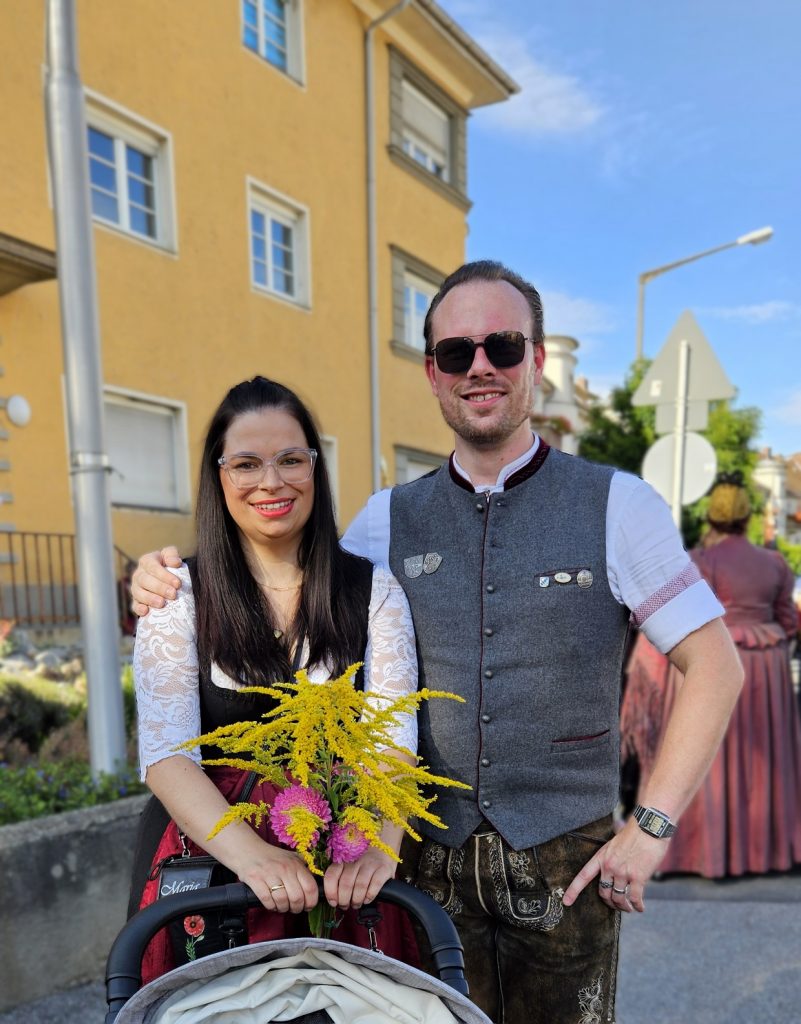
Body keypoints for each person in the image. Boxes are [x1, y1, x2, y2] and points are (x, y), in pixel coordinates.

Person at [131, 261, 743, 1024]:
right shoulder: (383, 521)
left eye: (503, 347)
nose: (480, 366)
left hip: (564, 864)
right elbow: (291, 577)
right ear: (431, 372)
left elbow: (714, 665)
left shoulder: (618, 503)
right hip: (421, 866)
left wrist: (650, 830)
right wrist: (162, 576)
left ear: (537, 362)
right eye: (457, 352)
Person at [131, 376, 419, 981]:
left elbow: (395, 742)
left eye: (291, 459)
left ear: (315, 468)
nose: (271, 482)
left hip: (344, 865)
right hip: (215, 864)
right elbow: (167, 755)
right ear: (219, 476)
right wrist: (254, 858)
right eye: (246, 463)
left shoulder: (374, 591)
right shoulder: (178, 593)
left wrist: (378, 845)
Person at [621, 471, 801, 877]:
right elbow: (788, 623)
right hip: (765, 671)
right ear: (746, 515)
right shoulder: (774, 564)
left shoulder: (697, 562)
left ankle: (692, 851)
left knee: (700, 755)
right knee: (762, 762)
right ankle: (763, 851)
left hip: (703, 667)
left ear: (712, 515)